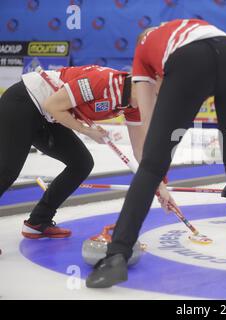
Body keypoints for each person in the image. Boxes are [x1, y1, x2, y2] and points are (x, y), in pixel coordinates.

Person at [86, 19, 226, 288]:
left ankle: (116, 256)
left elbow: (148, 121)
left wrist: (157, 173)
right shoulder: (185, 27)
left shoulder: (143, 51)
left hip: (192, 61)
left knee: (152, 164)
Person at [0, 65, 147, 240]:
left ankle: (38, 222)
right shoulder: (103, 81)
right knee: (7, 171)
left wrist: (155, 180)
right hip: (25, 102)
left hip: (49, 116)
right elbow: (52, 104)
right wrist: (87, 131)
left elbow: (139, 148)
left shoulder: (134, 106)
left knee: (81, 163)